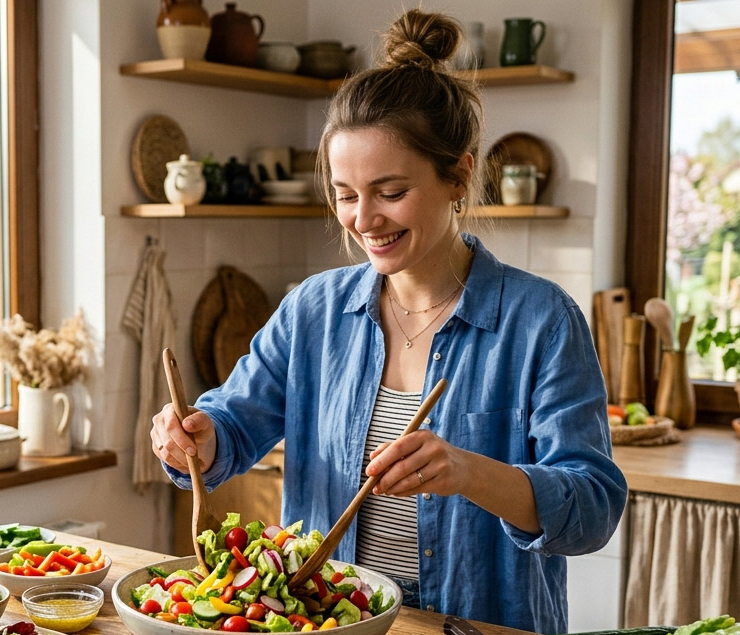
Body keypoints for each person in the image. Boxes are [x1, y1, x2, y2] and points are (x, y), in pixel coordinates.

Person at [149, 8, 627, 634]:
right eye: (346, 194)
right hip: (329, 623)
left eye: (390, 191)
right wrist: (198, 437)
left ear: (459, 173)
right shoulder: (314, 311)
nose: (363, 218)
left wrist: (469, 472)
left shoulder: (541, 322)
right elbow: (233, 427)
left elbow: (592, 508)